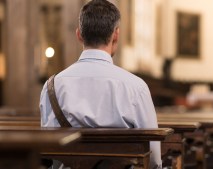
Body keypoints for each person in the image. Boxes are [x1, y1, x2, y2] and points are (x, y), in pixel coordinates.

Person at [39, 0, 162, 168]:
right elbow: (153, 158)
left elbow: (49, 151)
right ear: (116, 34)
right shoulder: (136, 87)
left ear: (79, 34)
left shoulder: (51, 87)